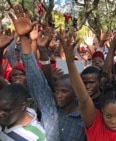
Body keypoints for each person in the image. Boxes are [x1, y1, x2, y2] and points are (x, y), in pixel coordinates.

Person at [9, 5, 86, 140]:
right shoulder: (50, 106)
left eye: (64, 91)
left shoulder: (86, 117)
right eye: (56, 91)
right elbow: (36, 78)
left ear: (75, 92)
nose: (58, 95)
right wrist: (25, 40)